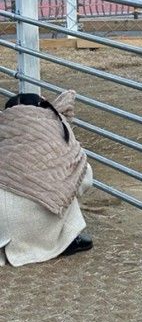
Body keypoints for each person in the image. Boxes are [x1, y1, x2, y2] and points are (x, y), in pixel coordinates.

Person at [0, 90, 93, 267]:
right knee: (69, 179)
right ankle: (65, 242)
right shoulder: (56, 132)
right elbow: (86, 179)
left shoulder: (5, 132)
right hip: (34, 223)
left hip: (1, 225)